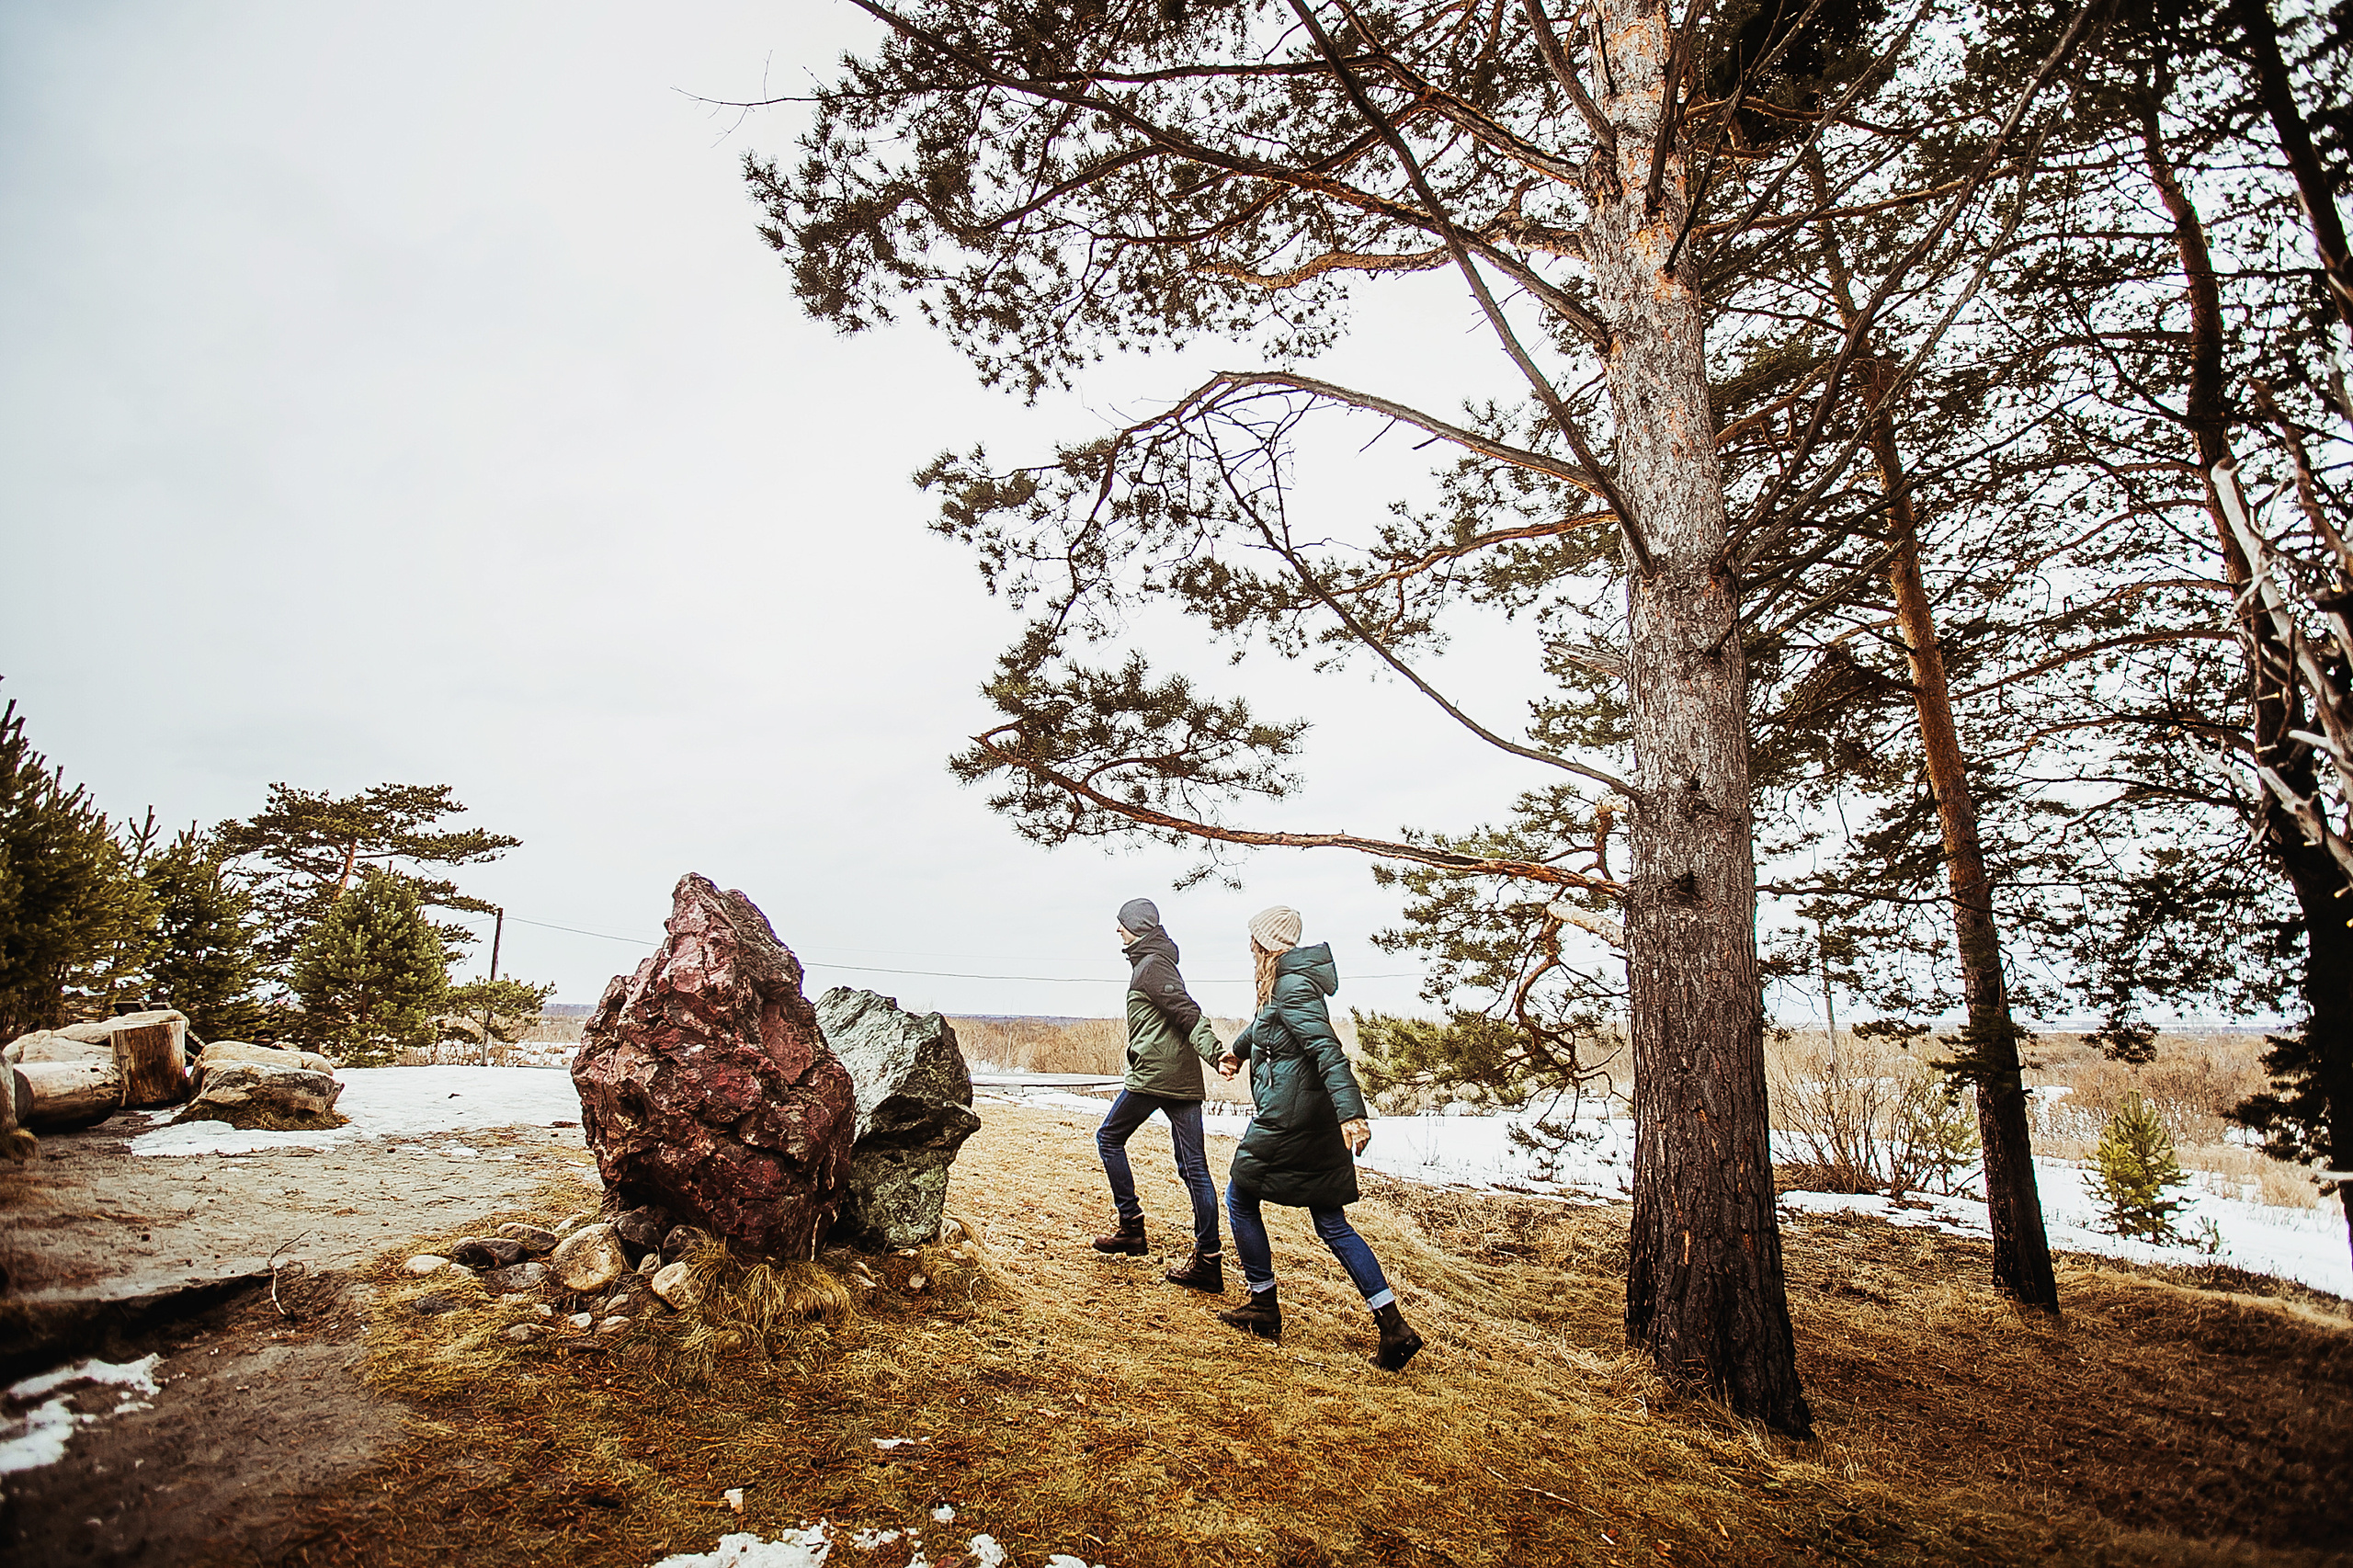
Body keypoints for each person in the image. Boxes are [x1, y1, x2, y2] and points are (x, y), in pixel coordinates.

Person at [1213, 905, 1424, 1370]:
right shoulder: (1286, 982)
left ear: (1268, 944)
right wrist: (1237, 1052)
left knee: (1239, 1198)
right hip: (1310, 1118)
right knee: (1331, 1221)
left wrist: (1354, 1114)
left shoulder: (1290, 984)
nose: (1249, 948)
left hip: (1290, 1120)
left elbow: (1328, 1050)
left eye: (1254, 940)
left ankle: (1264, 1305)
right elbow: (1267, 1025)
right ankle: (1393, 1325)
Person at [1091, 897, 1230, 1291]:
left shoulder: (1153, 966)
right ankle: (1208, 1261)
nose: (1117, 930)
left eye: (1121, 923)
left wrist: (1216, 1053)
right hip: (1180, 1079)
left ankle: (1131, 1228)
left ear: (1138, 925)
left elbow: (1188, 1013)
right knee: (1194, 1168)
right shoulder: (1152, 961)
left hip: (1156, 1076)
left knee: (1109, 1138)